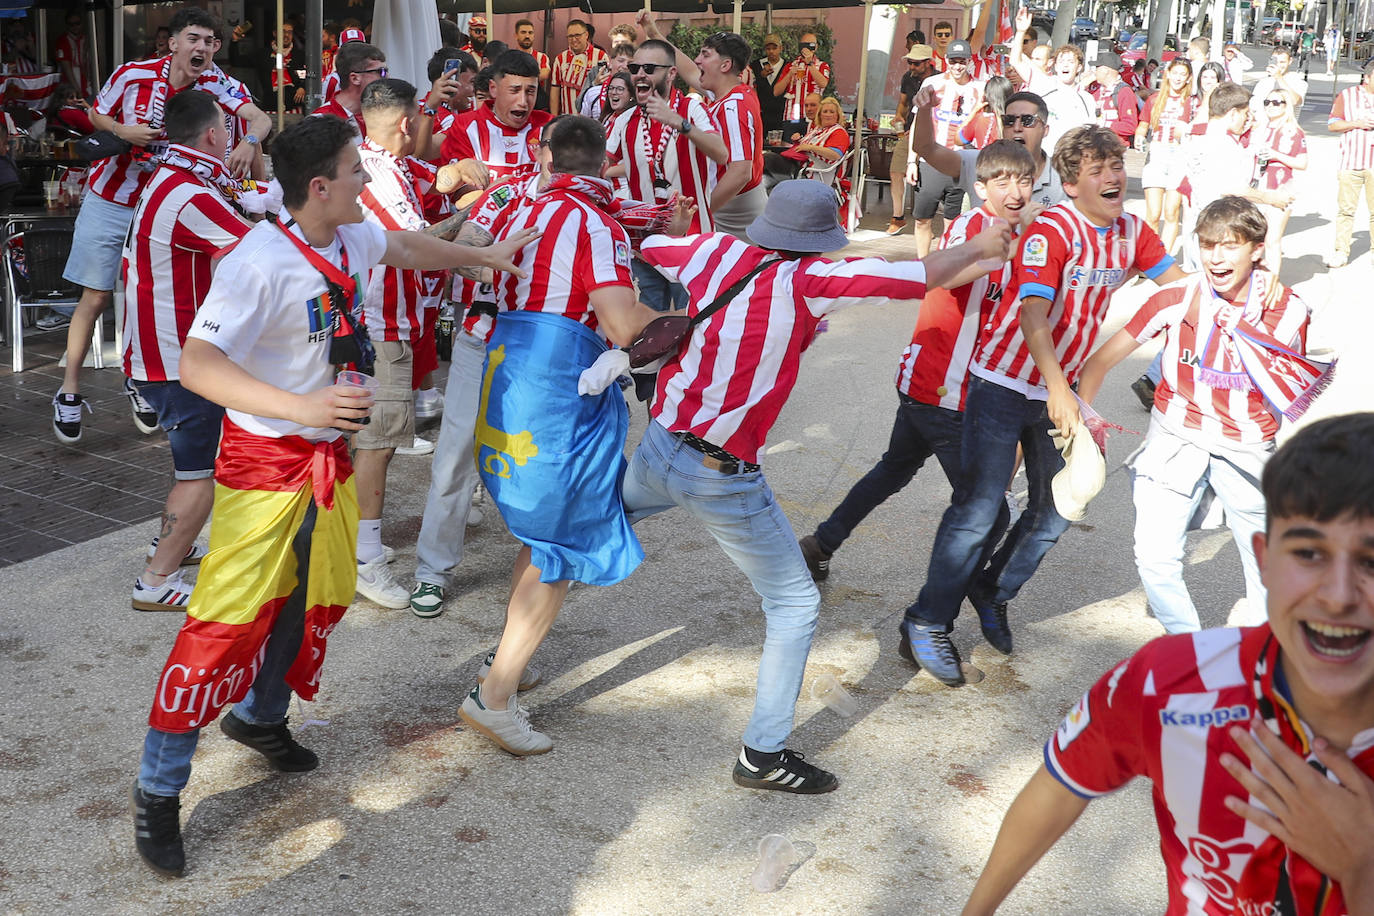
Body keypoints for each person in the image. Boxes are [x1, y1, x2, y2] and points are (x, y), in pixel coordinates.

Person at [130, 113, 535, 878]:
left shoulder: (349, 233)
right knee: (222, 621)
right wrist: (304, 408)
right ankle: (157, 789)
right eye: (358, 171)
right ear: (320, 187)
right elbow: (197, 364)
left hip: (324, 459)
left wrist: (484, 257)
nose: (368, 181)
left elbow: (409, 246)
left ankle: (259, 717)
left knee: (314, 593)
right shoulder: (258, 260)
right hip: (263, 461)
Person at [621, 179, 1011, 793]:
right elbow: (920, 273)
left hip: (660, 446)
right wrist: (982, 243)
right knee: (796, 604)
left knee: (593, 527)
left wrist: (667, 227)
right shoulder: (812, 283)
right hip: (723, 474)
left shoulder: (713, 253)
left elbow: (649, 245)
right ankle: (762, 754)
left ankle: (505, 660)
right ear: (822, 239)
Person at [962, 412, 1374, 916]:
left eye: (1372, 563)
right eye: (1309, 553)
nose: (1336, 596)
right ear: (1263, 559)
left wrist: (1362, 871)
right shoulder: (1169, 681)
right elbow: (1061, 782)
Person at [900, 126, 1184, 687]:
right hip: (1004, 384)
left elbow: (1178, 290)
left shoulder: (1131, 230)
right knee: (979, 509)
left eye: (1117, 165)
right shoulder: (1051, 230)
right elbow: (1033, 316)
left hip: (1062, 389)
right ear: (1071, 182)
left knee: (1058, 509)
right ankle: (925, 622)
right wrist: (1060, 388)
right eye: (1098, 169)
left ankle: (992, 589)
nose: (1112, 177)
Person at [455, 116, 664, 755]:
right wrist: (688, 316)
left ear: (548, 156)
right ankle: (493, 698)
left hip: (507, 371)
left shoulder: (522, 198)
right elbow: (622, 323)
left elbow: (471, 246)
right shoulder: (596, 222)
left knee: (538, 532)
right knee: (558, 545)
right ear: (607, 161)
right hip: (556, 389)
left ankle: (505, 668)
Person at [1079, 195, 1322, 635]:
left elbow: (1287, 391)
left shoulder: (1289, 311)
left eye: (1230, 246)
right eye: (1208, 245)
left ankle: (1261, 662)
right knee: (1153, 556)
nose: (1216, 257)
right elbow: (1099, 362)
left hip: (1247, 448)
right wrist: (1084, 421)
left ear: (1258, 250)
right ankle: (1190, 648)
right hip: (1176, 439)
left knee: (1266, 564)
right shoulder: (1176, 296)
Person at [798, 141, 1035, 582]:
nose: (1015, 191)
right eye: (1002, 181)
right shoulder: (972, 229)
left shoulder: (1027, 235)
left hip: (952, 385)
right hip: (942, 386)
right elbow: (938, 278)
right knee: (988, 512)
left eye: (1023, 180)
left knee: (894, 469)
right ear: (981, 188)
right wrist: (992, 258)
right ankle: (935, 614)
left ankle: (819, 545)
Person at [51, 6, 271, 446]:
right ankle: (69, 390)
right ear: (173, 43)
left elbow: (260, 120)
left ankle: (140, 379)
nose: (203, 48)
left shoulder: (219, 84)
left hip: (169, 205)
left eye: (210, 42)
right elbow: (96, 115)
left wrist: (248, 142)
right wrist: (123, 131)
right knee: (95, 295)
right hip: (113, 197)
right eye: (194, 39)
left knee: (148, 294)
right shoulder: (133, 74)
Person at [121, 89, 253, 613]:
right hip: (178, 360)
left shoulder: (167, 177)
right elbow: (256, 249)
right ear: (214, 135)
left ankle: (170, 544)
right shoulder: (190, 193)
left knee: (191, 467)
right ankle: (155, 581)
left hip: (160, 354)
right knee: (200, 475)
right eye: (227, 128)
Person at [348, 78, 440, 609]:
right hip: (381, 327)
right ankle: (366, 559)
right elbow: (415, 245)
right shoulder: (375, 172)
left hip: (380, 323)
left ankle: (349, 546)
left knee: (367, 442)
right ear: (406, 123)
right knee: (377, 444)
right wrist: (480, 230)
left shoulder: (378, 163)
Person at [605, 39, 726, 297]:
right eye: (635, 67)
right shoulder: (625, 119)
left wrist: (679, 123)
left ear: (671, 73)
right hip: (644, 247)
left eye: (649, 68)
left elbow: (721, 153)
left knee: (689, 322)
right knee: (649, 328)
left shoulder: (691, 109)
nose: (639, 74)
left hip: (692, 245)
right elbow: (601, 165)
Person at [638, 21, 763, 240]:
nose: (697, 60)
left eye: (705, 55)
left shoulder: (733, 106)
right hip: (731, 204)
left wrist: (702, 211)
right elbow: (688, 69)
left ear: (724, 65)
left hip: (734, 210)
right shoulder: (726, 93)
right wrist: (654, 34)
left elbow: (741, 172)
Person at [911, 88, 1066, 219]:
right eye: (1009, 120)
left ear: (1045, 130)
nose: (1017, 127)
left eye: (1027, 120)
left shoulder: (1064, 178)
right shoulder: (980, 163)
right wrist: (924, 109)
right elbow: (925, 149)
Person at [906, 38, 983, 258]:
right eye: (953, 61)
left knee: (953, 222)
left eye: (962, 61)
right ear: (945, 60)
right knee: (922, 218)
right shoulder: (932, 84)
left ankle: (947, 266)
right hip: (931, 160)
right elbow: (916, 125)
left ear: (969, 61)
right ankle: (923, 265)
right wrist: (912, 161)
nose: (957, 66)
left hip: (961, 163)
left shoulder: (979, 88)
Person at [441, 49, 550, 187]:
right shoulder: (465, 126)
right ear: (493, 89)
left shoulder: (549, 127)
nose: (523, 101)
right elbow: (460, 199)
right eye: (514, 90)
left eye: (530, 91)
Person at [1008, 7, 1094, 151]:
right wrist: (1021, 32)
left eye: (1070, 62)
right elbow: (1016, 61)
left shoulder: (1087, 99)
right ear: (1054, 65)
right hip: (1044, 158)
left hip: (1071, 163)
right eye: (1061, 61)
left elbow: (1091, 135)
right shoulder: (1044, 84)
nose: (1065, 65)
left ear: (1079, 67)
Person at [1135, 58, 1196, 254]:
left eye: (1183, 75)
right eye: (1175, 73)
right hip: (1157, 156)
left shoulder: (1192, 102)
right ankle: (1151, 256)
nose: (1178, 78)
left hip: (1179, 158)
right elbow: (1143, 125)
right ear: (1167, 74)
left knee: (1171, 212)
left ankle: (1165, 259)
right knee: (1153, 213)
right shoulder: (1154, 99)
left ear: (1188, 78)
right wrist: (1139, 137)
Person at [1251, 87, 1307, 273]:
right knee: (1255, 236)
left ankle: (1272, 280)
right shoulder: (1259, 128)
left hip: (1280, 186)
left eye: (1277, 102)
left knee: (1272, 238)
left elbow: (1302, 162)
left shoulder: (1293, 131)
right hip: (1258, 185)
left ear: (1286, 105)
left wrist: (1276, 155)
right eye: (1267, 102)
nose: (1271, 106)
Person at [1326, 57, 1374, 269]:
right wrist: (1357, 123)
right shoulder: (1347, 96)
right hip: (1351, 162)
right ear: (1367, 77)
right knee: (1346, 210)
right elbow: (1332, 124)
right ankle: (1341, 251)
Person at [887, 43, 938, 236]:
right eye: (910, 63)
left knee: (929, 178)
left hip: (934, 134)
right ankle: (897, 217)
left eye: (916, 64)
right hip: (909, 132)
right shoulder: (907, 78)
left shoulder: (939, 79)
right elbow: (903, 103)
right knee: (896, 171)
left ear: (928, 63)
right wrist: (899, 116)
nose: (912, 67)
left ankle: (926, 222)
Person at [412, 47, 478, 162]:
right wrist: (431, 108)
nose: (474, 90)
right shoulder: (425, 113)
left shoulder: (462, 108)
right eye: (472, 82)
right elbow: (422, 153)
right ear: (449, 81)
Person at [765, 95, 848, 185]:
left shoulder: (839, 132)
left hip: (812, 172)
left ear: (837, 115)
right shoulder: (818, 129)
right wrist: (798, 141)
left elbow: (835, 155)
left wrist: (810, 147)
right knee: (766, 165)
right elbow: (805, 146)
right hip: (799, 166)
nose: (828, 114)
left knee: (769, 159)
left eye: (831, 112)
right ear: (820, 115)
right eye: (825, 111)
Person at [310, 40, 386, 137]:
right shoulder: (319, 123)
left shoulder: (379, 118)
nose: (387, 77)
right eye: (381, 72)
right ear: (355, 78)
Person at [550, 20, 605, 117]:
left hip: (590, 120)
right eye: (570, 36)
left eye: (577, 35)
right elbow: (555, 90)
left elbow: (604, 90)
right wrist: (553, 118)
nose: (574, 39)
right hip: (567, 118)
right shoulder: (560, 59)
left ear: (586, 35)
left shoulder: (601, 56)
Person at [774, 32, 830, 123]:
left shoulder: (822, 65)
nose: (806, 48)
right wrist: (789, 74)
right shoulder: (791, 65)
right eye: (804, 45)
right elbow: (776, 92)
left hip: (813, 117)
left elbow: (823, 84)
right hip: (792, 116)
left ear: (815, 47)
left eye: (810, 45)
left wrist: (810, 63)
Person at [1088, 50, 1139, 149]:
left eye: (1097, 68)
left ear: (1106, 70)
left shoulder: (1123, 92)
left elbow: (1130, 126)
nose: (1094, 71)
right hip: (1095, 146)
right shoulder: (1096, 90)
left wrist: (1105, 125)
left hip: (1114, 148)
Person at [1250, 45, 1307, 116]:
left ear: (1290, 61)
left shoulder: (1298, 82)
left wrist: (1279, 78)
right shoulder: (1263, 83)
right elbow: (1253, 108)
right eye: (1276, 61)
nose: (1278, 65)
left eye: (1282, 62)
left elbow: (1296, 101)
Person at [958, 75, 1013, 149]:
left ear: (987, 96)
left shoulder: (980, 119)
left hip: (986, 159)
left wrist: (974, 111)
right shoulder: (1017, 120)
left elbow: (958, 140)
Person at [753, 33, 788, 136]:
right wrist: (761, 77)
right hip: (762, 113)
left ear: (780, 48)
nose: (771, 51)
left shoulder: (787, 66)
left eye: (774, 48)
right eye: (768, 48)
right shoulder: (756, 65)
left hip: (781, 113)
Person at [54, 10, 93, 100]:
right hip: (71, 86)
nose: (75, 27)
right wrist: (76, 89)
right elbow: (66, 67)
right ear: (67, 25)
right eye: (71, 24)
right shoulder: (63, 41)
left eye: (77, 23)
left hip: (87, 83)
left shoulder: (86, 38)